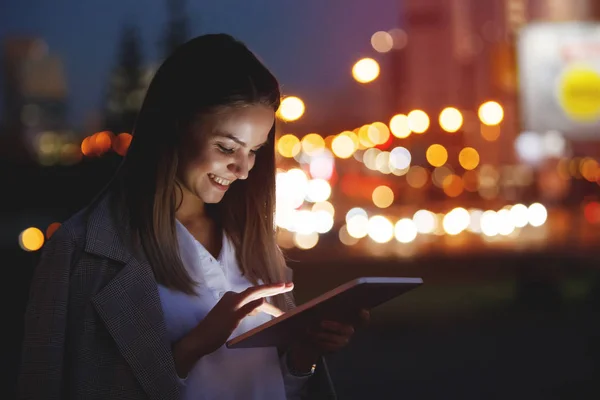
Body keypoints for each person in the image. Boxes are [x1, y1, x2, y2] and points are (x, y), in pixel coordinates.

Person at [18, 33, 369, 400]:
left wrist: (304, 355)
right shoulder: (82, 253)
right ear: (174, 126)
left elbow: (274, 384)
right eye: (226, 147)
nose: (244, 169)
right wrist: (194, 346)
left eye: (255, 151)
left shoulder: (252, 243)